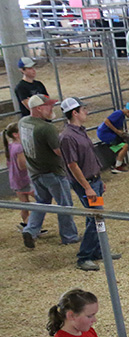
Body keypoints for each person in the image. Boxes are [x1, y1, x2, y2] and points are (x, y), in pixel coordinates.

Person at [58, 98, 118, 272]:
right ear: (74, 113)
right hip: (86, 183)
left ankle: (98, 251)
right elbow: (72, 165)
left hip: (94, 180)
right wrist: (88, 187)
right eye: (83, 109)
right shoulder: (67, 137)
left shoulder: (79, 131)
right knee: (95, 217)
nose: (86, 112)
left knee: (96, 217)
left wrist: (98, 180)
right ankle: (84, 256)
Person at [19, 95, 79, 250]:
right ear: (39, 108)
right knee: (65, 205)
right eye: (48, 106)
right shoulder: (46, 128)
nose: (52, 108)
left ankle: (30, 230)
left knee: (42, 203)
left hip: (35, 171)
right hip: (52, 172)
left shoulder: (23, 122)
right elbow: (59, 151)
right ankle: (69, 236)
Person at [4, 121, 35, 230]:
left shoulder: (10, 146)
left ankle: (26, 225)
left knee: (24, 204)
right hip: (23, 179)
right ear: (15, 134)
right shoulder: (19, 148)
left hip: (15, 179)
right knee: (41, 200)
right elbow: (22, 165)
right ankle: (32, 225)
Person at [96, 102, 129, 173]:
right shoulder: (119, 114)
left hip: (105, 133)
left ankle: (119, 163)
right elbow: (106, 120)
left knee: (122, 144)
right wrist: (117, 131)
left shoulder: (121, 115)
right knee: (125, 146)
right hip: (105, 134)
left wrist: (122, 133)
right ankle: (117, 166)